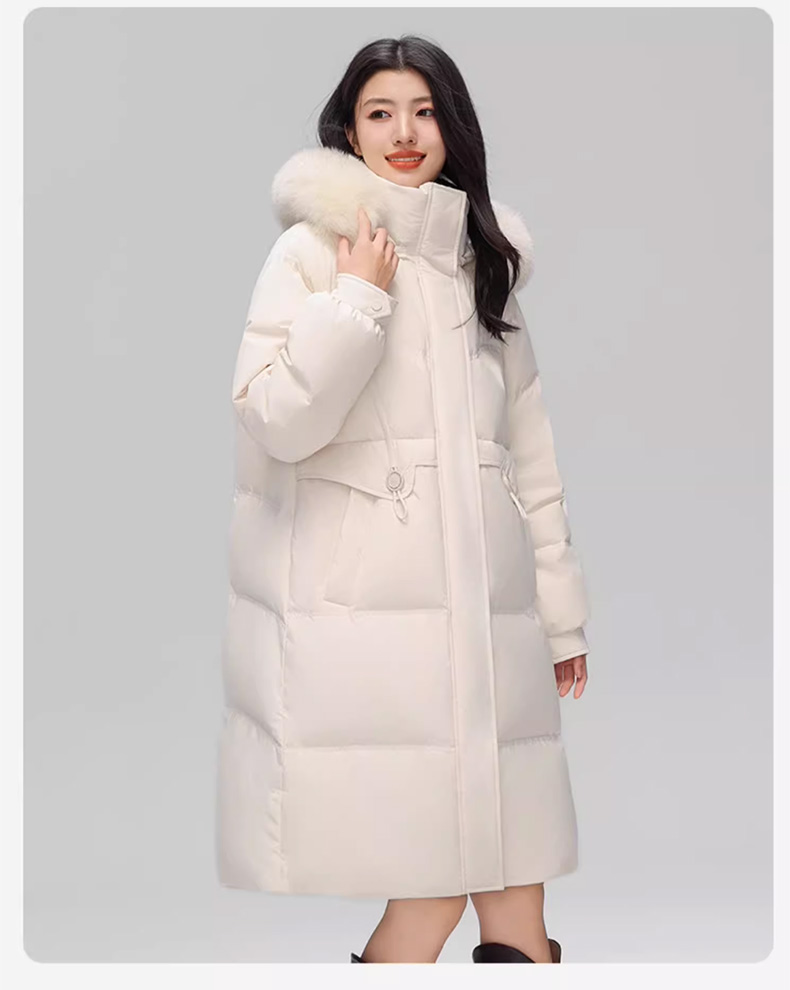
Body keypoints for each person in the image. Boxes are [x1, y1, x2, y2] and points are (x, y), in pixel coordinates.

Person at [216, 34, 591, 965]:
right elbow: (276, 419)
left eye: (424, 112)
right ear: (349, 131)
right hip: (380, 632)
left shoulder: (483, 267)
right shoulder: (315, 252)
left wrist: (560, 621)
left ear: (453, 126)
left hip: (491, 629)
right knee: (433, 892)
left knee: (514, 888)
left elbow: (529, 460)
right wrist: (355, 299)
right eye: (380, 113)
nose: (404, 133)